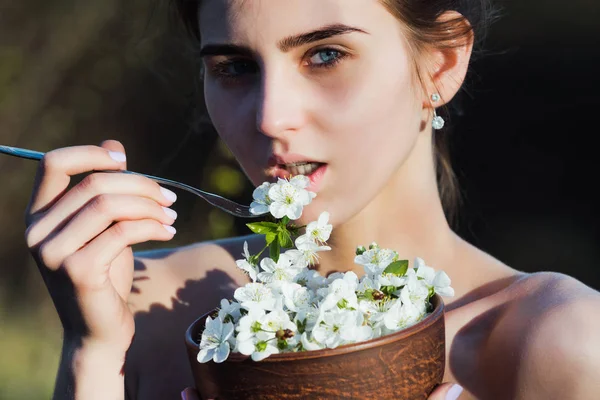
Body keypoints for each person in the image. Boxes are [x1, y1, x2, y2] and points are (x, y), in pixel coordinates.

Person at [23, 0, 600, 399]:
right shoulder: (143, 314)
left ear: (441, 62)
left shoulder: (555, 344)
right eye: (235, 67)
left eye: (324, 54)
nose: (271, 117)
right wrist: (92, 355)